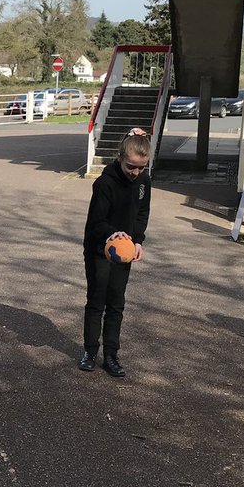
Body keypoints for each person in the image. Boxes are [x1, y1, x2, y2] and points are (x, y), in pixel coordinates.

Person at [80, 129, 151, 377]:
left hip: (125, 251)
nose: (136, 173)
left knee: (116, 303)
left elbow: (142, 214)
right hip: (100, 248)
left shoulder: (143, 181)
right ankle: (90, 351)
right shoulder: (104, 183)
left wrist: (138, 241)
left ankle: (111, 355)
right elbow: (96, 221)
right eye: (131, 166)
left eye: (141, 168)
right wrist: (113, 235)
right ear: (120, 157)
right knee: (97, 300)